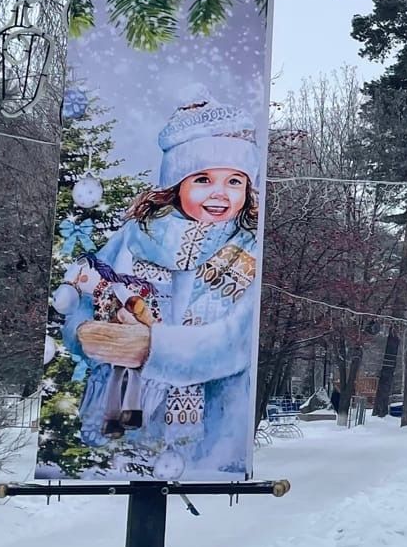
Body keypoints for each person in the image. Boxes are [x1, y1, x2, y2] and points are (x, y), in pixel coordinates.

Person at [54, 96, 260, 478]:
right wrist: (84, 331)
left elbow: (237, 340)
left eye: (234, 181)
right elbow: (91, 286)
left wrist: (154, 348)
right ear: (175, 184)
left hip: (209, 431)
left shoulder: (248, 248)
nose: (219, 193)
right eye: (202, 179)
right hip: (124, 399)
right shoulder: (137, 235)